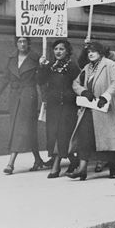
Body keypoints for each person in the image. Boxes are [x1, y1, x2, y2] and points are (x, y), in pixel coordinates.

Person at [0, 37, 50, 174]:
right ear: (16, 44)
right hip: (14, 96)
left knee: (20, 127)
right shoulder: (12, 58)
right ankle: (38, 159)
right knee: (27, 128)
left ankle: (10, 163)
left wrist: (42, 66)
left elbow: (41, 80)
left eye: (25, 41)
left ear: (29, 43)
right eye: (20, 41)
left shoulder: (36, 58)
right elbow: (5, 77)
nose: (22, 44)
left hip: (28, 95)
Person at [68, 41, 115, 180]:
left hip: (106, 107)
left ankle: (113, 167)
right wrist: (83, 92)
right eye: (88, 52)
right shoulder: (87, 68)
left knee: (108, 138)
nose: (91, 54)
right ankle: (82, 169)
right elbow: (75, 83)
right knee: (85, 137)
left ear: (100, 52)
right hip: (90, 107)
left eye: (93, 51)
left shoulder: (110, 64)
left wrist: (105, 96)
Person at [37, 39, 81, 178]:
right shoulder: (50, 65)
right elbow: (40, 81)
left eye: (61, 49)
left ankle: (56, 166)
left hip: (68, 105)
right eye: (56, 49)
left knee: (62, 134)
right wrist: (41, 66)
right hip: (53, 105)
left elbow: (79, 83)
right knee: (53, 134)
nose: (58, 52)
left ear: (67, 51)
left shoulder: (73, 66)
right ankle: (74, 161)